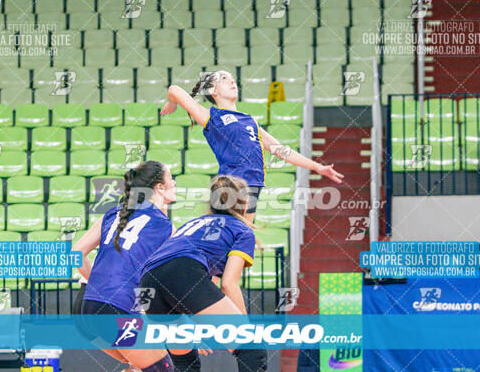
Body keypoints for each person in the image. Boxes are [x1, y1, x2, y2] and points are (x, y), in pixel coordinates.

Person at [160, 71, 344, 223]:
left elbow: (280, 150)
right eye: (224, 79)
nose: (232, 81)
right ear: (212, 91)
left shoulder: (250, 121)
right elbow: (174, 89)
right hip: (231, 187)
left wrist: (317, 167)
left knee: (241, 246)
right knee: (230, 244)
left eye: (232, 78)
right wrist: (172, 103)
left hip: (254, 187)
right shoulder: (210, 116)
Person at [140, 175, 267, 372]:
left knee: (185, 360)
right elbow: (228, 284)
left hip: (148, 279)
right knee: (252, 349)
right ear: (244, 203)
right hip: (183, 271)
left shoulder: (194, 223)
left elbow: (200, 288)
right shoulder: (241, 230)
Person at [72, 161, 177, 372]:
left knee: (138, 366)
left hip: (86, 307)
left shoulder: (115, 213)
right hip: (116, 309)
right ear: (159, 188)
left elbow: (74, 254)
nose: (174, 182)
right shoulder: (165, 226)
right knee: (161, 368)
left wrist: (98, 283)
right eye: (171, 178)